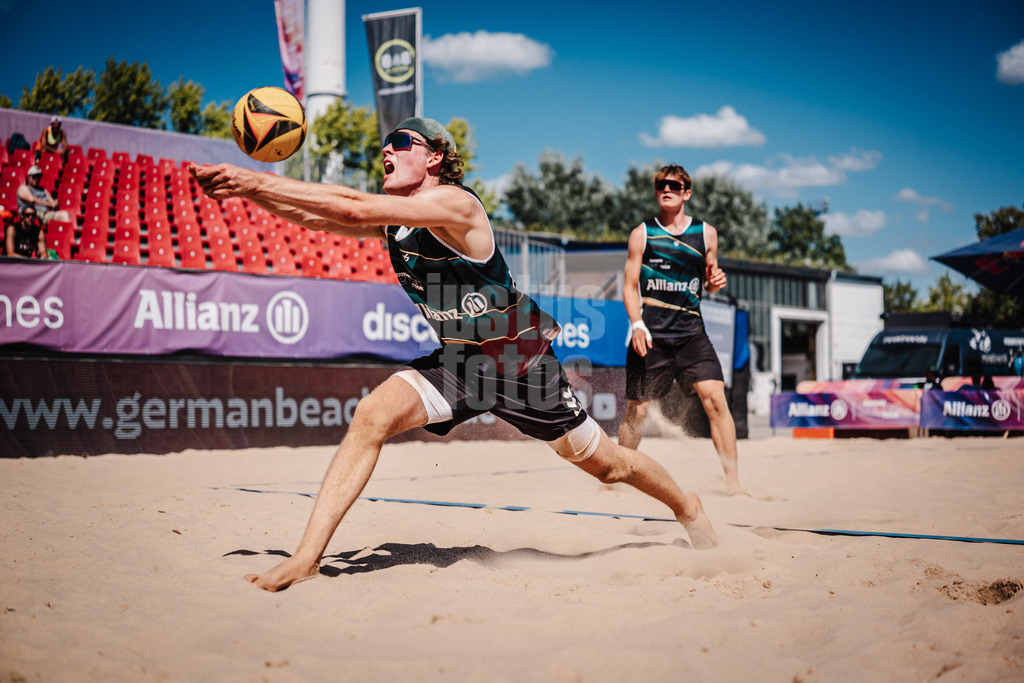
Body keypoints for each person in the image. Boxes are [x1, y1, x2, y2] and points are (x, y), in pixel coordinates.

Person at [190, 118, 719, 592]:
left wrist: (256, 179)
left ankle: (687, 506)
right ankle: (306, 558)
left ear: (434, 157)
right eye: (385, 147)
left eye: (400, 143)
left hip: (523, 366)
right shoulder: (397, 225)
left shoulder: (457, 204)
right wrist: (248, 195)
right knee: (372, 415)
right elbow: (322, 219)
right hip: (463, 364)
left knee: (607, 465)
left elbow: (350, 205)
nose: (386, 152)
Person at [618, 164, 742, 493]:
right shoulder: (643, 233)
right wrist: (638, 323)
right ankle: (618, 478)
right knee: (637, 411)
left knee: (716, 400)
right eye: (661, 185)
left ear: (687, 192)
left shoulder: (706, 233)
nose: (666, 189)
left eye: (674, 185)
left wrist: (715, 284)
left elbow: (709, 281)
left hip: (691, 334)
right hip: (652, 334)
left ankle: (733, 483)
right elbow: (629, 287)